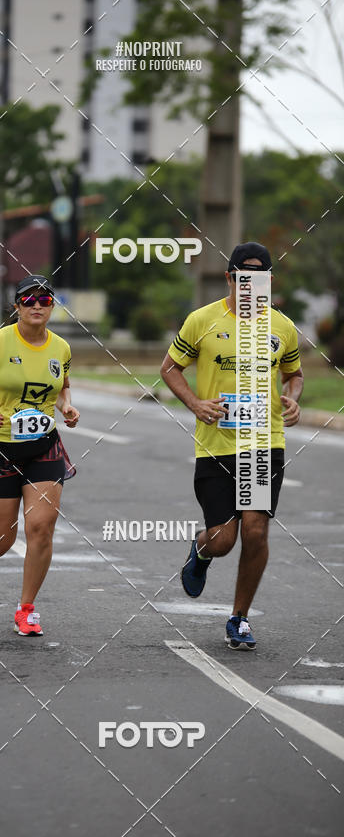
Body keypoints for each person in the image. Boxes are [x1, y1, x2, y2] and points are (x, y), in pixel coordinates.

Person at [160, 242, 303, 650]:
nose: (250, 284)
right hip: (216, 445)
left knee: (256, 530)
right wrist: (195, 403)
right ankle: (201, 550)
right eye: (243, 277)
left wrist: (292, 396)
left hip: (263, 442)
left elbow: (294, 373)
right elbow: (169, 368)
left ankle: (239, 618)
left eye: (259, 278)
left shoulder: (282, 326)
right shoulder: (202, 320)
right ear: (229, 278)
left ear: (269, 280)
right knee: (224, 540)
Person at [0, 275, 80, 636]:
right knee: (1, 541)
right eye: (30, 300)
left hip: (44, 447)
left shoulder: (61, 348)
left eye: (45, 300)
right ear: (17, 306)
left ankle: (26, 609)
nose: (37, 306)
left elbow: (62, 388)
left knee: (41, 528)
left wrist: (67, 407)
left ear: (52, 305)